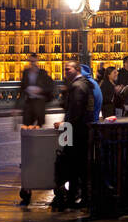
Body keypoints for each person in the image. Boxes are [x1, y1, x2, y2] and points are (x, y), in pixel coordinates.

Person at [52, 60, 93, 211]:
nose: (65, 72)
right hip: (80, 130)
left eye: (68, 69)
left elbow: (74, 112)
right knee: (78, 165)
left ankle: (71, 198)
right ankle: (78, 197)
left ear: (77, 69)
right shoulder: (84, 84)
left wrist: (64, 125)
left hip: (74, 131)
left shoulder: (77, 86)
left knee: (71, 164)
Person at [20, 55, 55, 128]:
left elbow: (51, 86)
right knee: (27, 128)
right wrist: (16, 107)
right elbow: (21, 89)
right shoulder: (25, 73)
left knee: (39, 128)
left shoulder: (43, 73)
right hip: (29, 104)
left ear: (37, 61)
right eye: (30, 61)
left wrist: (41, 90)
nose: (32, 63)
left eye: (34, 61)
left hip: (40, 104)